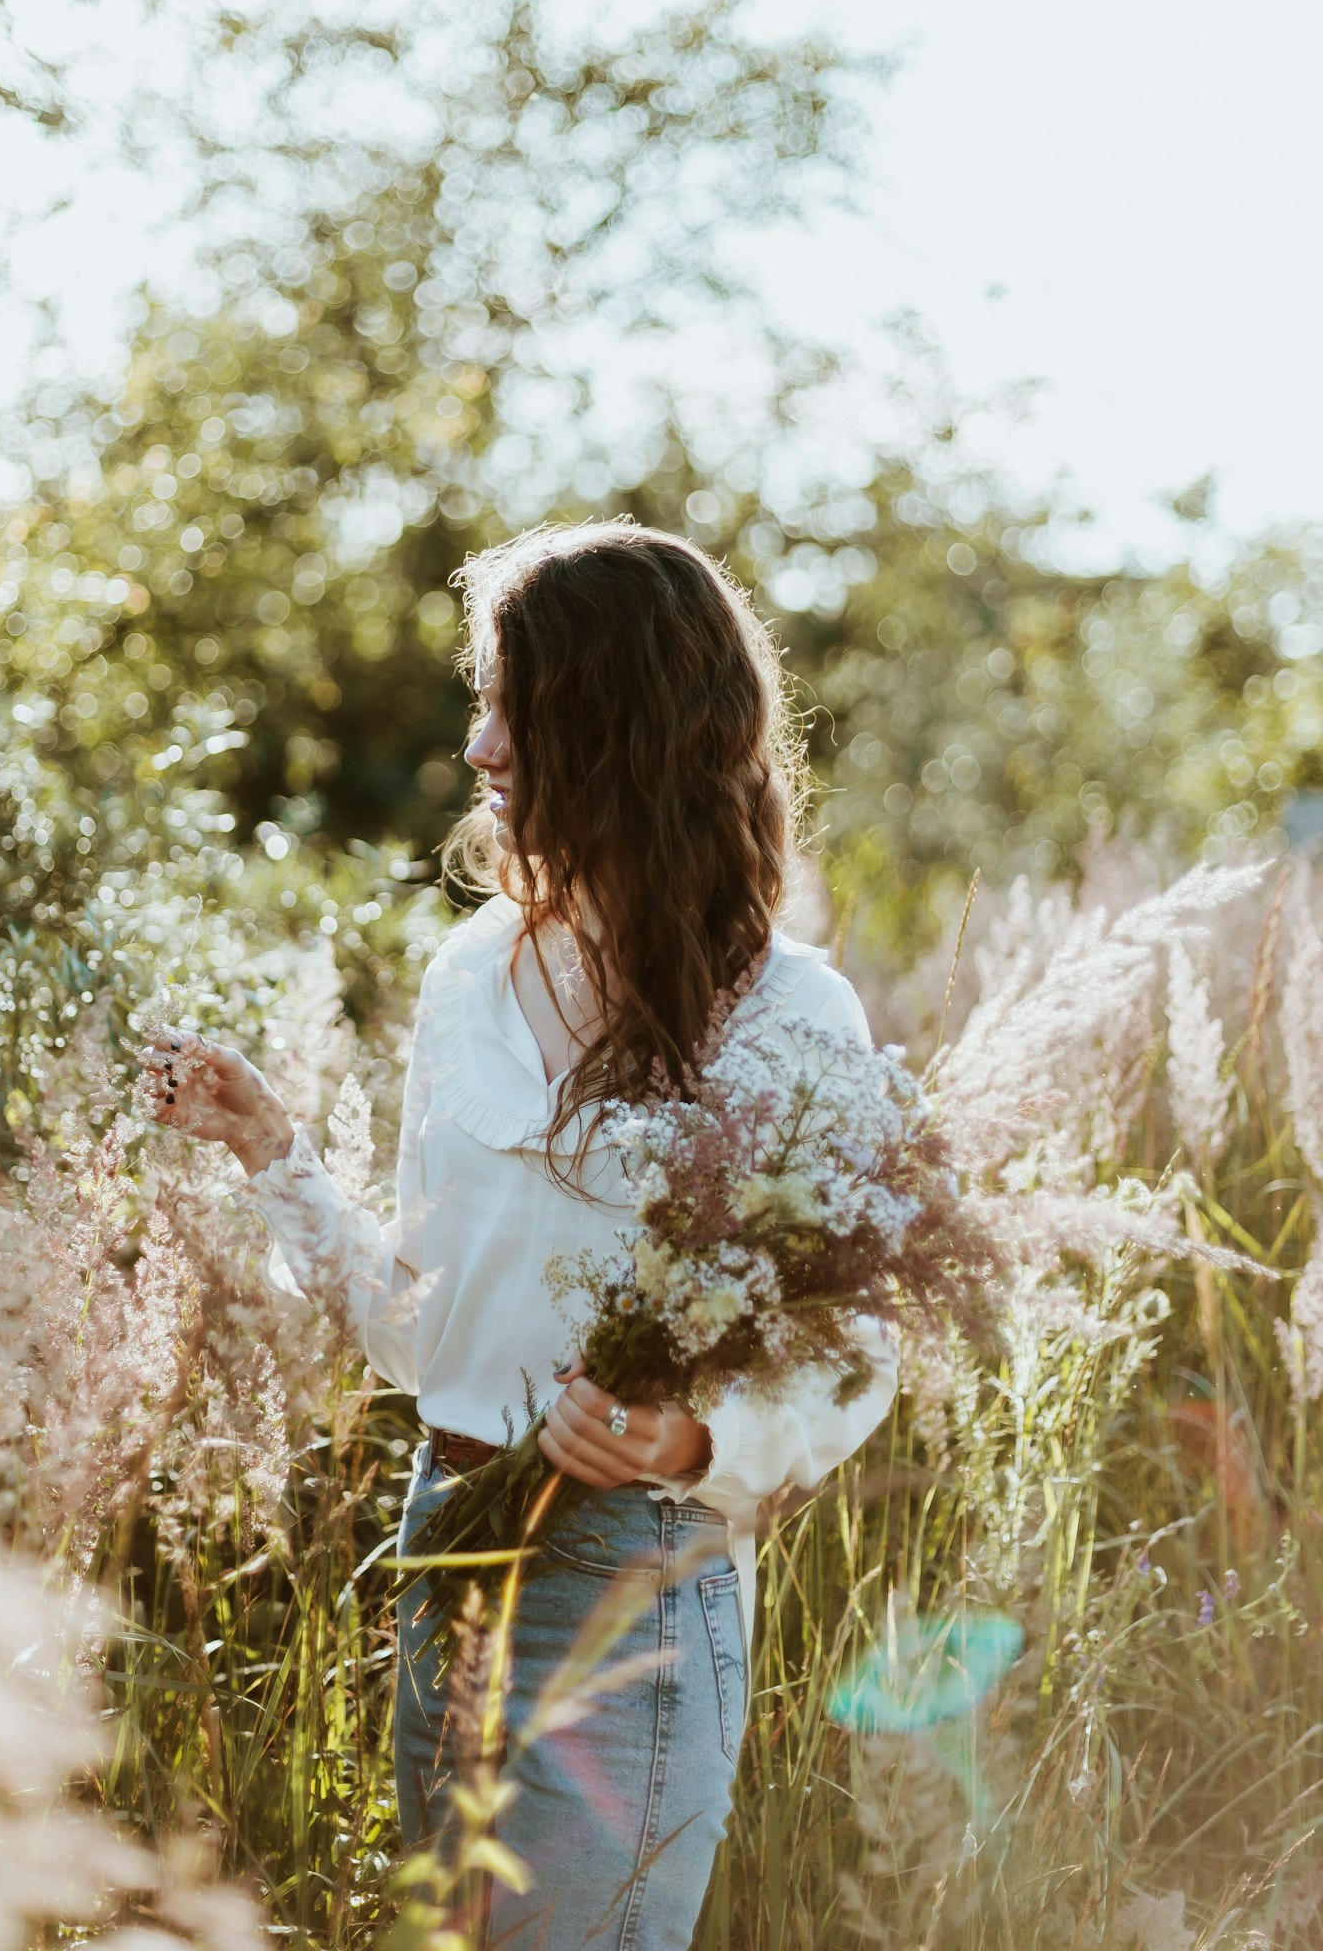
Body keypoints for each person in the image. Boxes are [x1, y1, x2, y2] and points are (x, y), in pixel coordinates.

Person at [139, 519, 899, 1951]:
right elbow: (428, 1324)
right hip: (450, 1542)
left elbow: (855, 1353)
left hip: (637, 1580)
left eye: (515, 707)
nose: (481, 747)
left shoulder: (790, 1021)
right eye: (481, 701)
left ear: (622, 728)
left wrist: (687, 1444)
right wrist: (270, 1150)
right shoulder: (467, 977)